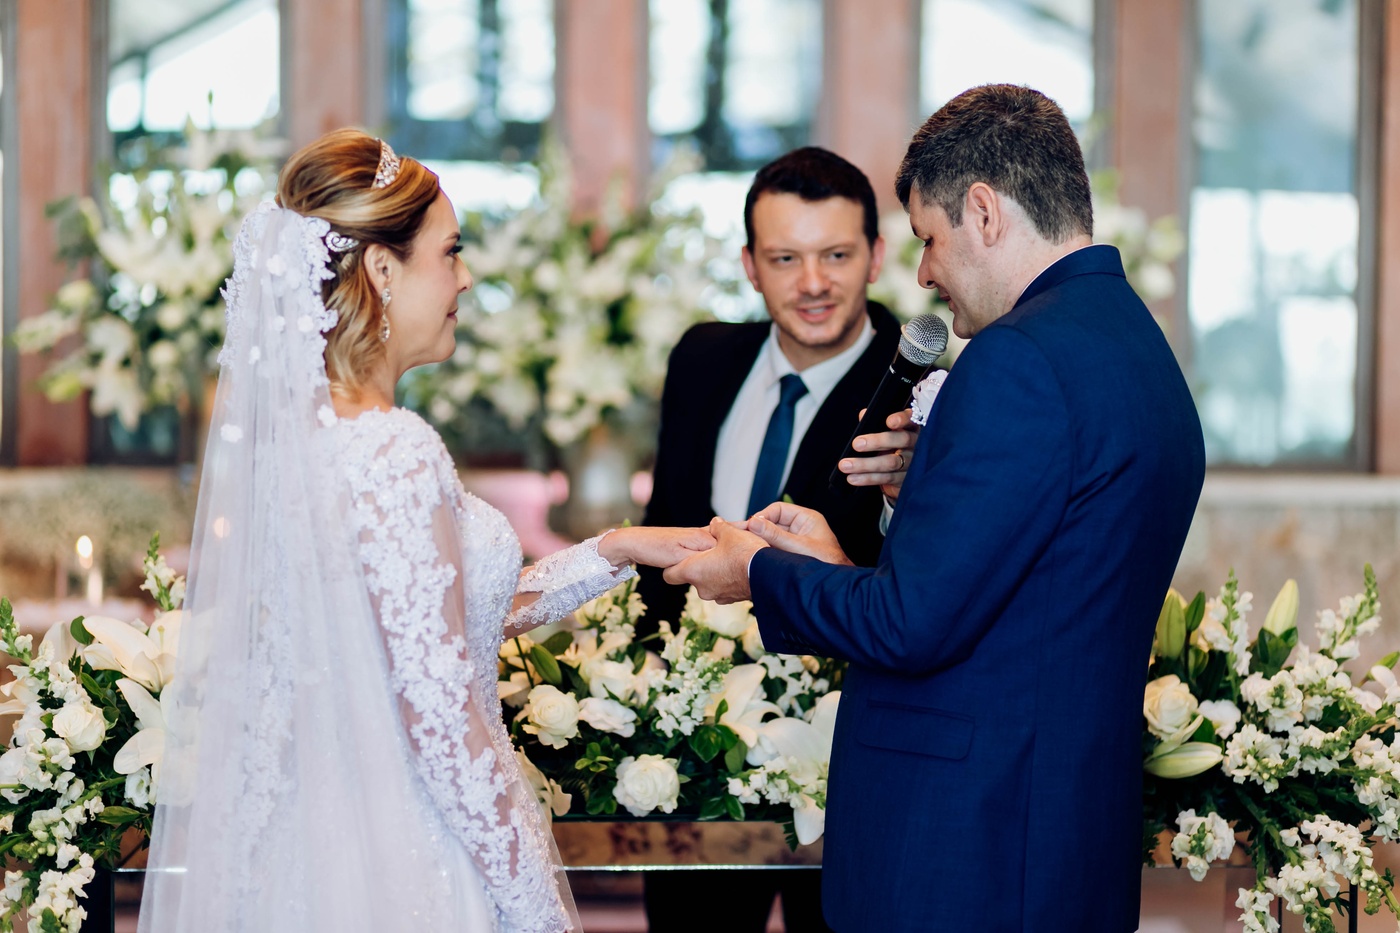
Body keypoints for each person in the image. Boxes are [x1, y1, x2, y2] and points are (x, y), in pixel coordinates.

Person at [137, 129, 710, 933]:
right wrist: (537, 911)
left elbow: (427, 628)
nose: (465, 278)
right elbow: (442, 722)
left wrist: (613, 551)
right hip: (415, 858)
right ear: (381, 270)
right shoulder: (393, 451)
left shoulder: (302, 446)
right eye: (450, 252)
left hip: (320, 851)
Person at [664, 85, 1207, 932]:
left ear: (983, 212)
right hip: (1056, 837)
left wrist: (758, 570)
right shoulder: (1133, 343)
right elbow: (1010, 595)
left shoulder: (1016, 360)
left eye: (928, 237)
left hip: (969, 851)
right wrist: (842, 561)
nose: (923, 272)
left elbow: (909, 625)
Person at [637, 147, 913, 933]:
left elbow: (923, 584)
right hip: (692, 755)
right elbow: (664, 521)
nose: (813, 282)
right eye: (786, 258)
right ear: (750, 266)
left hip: (841, 758)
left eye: (837, 255)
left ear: (876, 257)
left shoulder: (925, 390)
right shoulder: (701, 358)